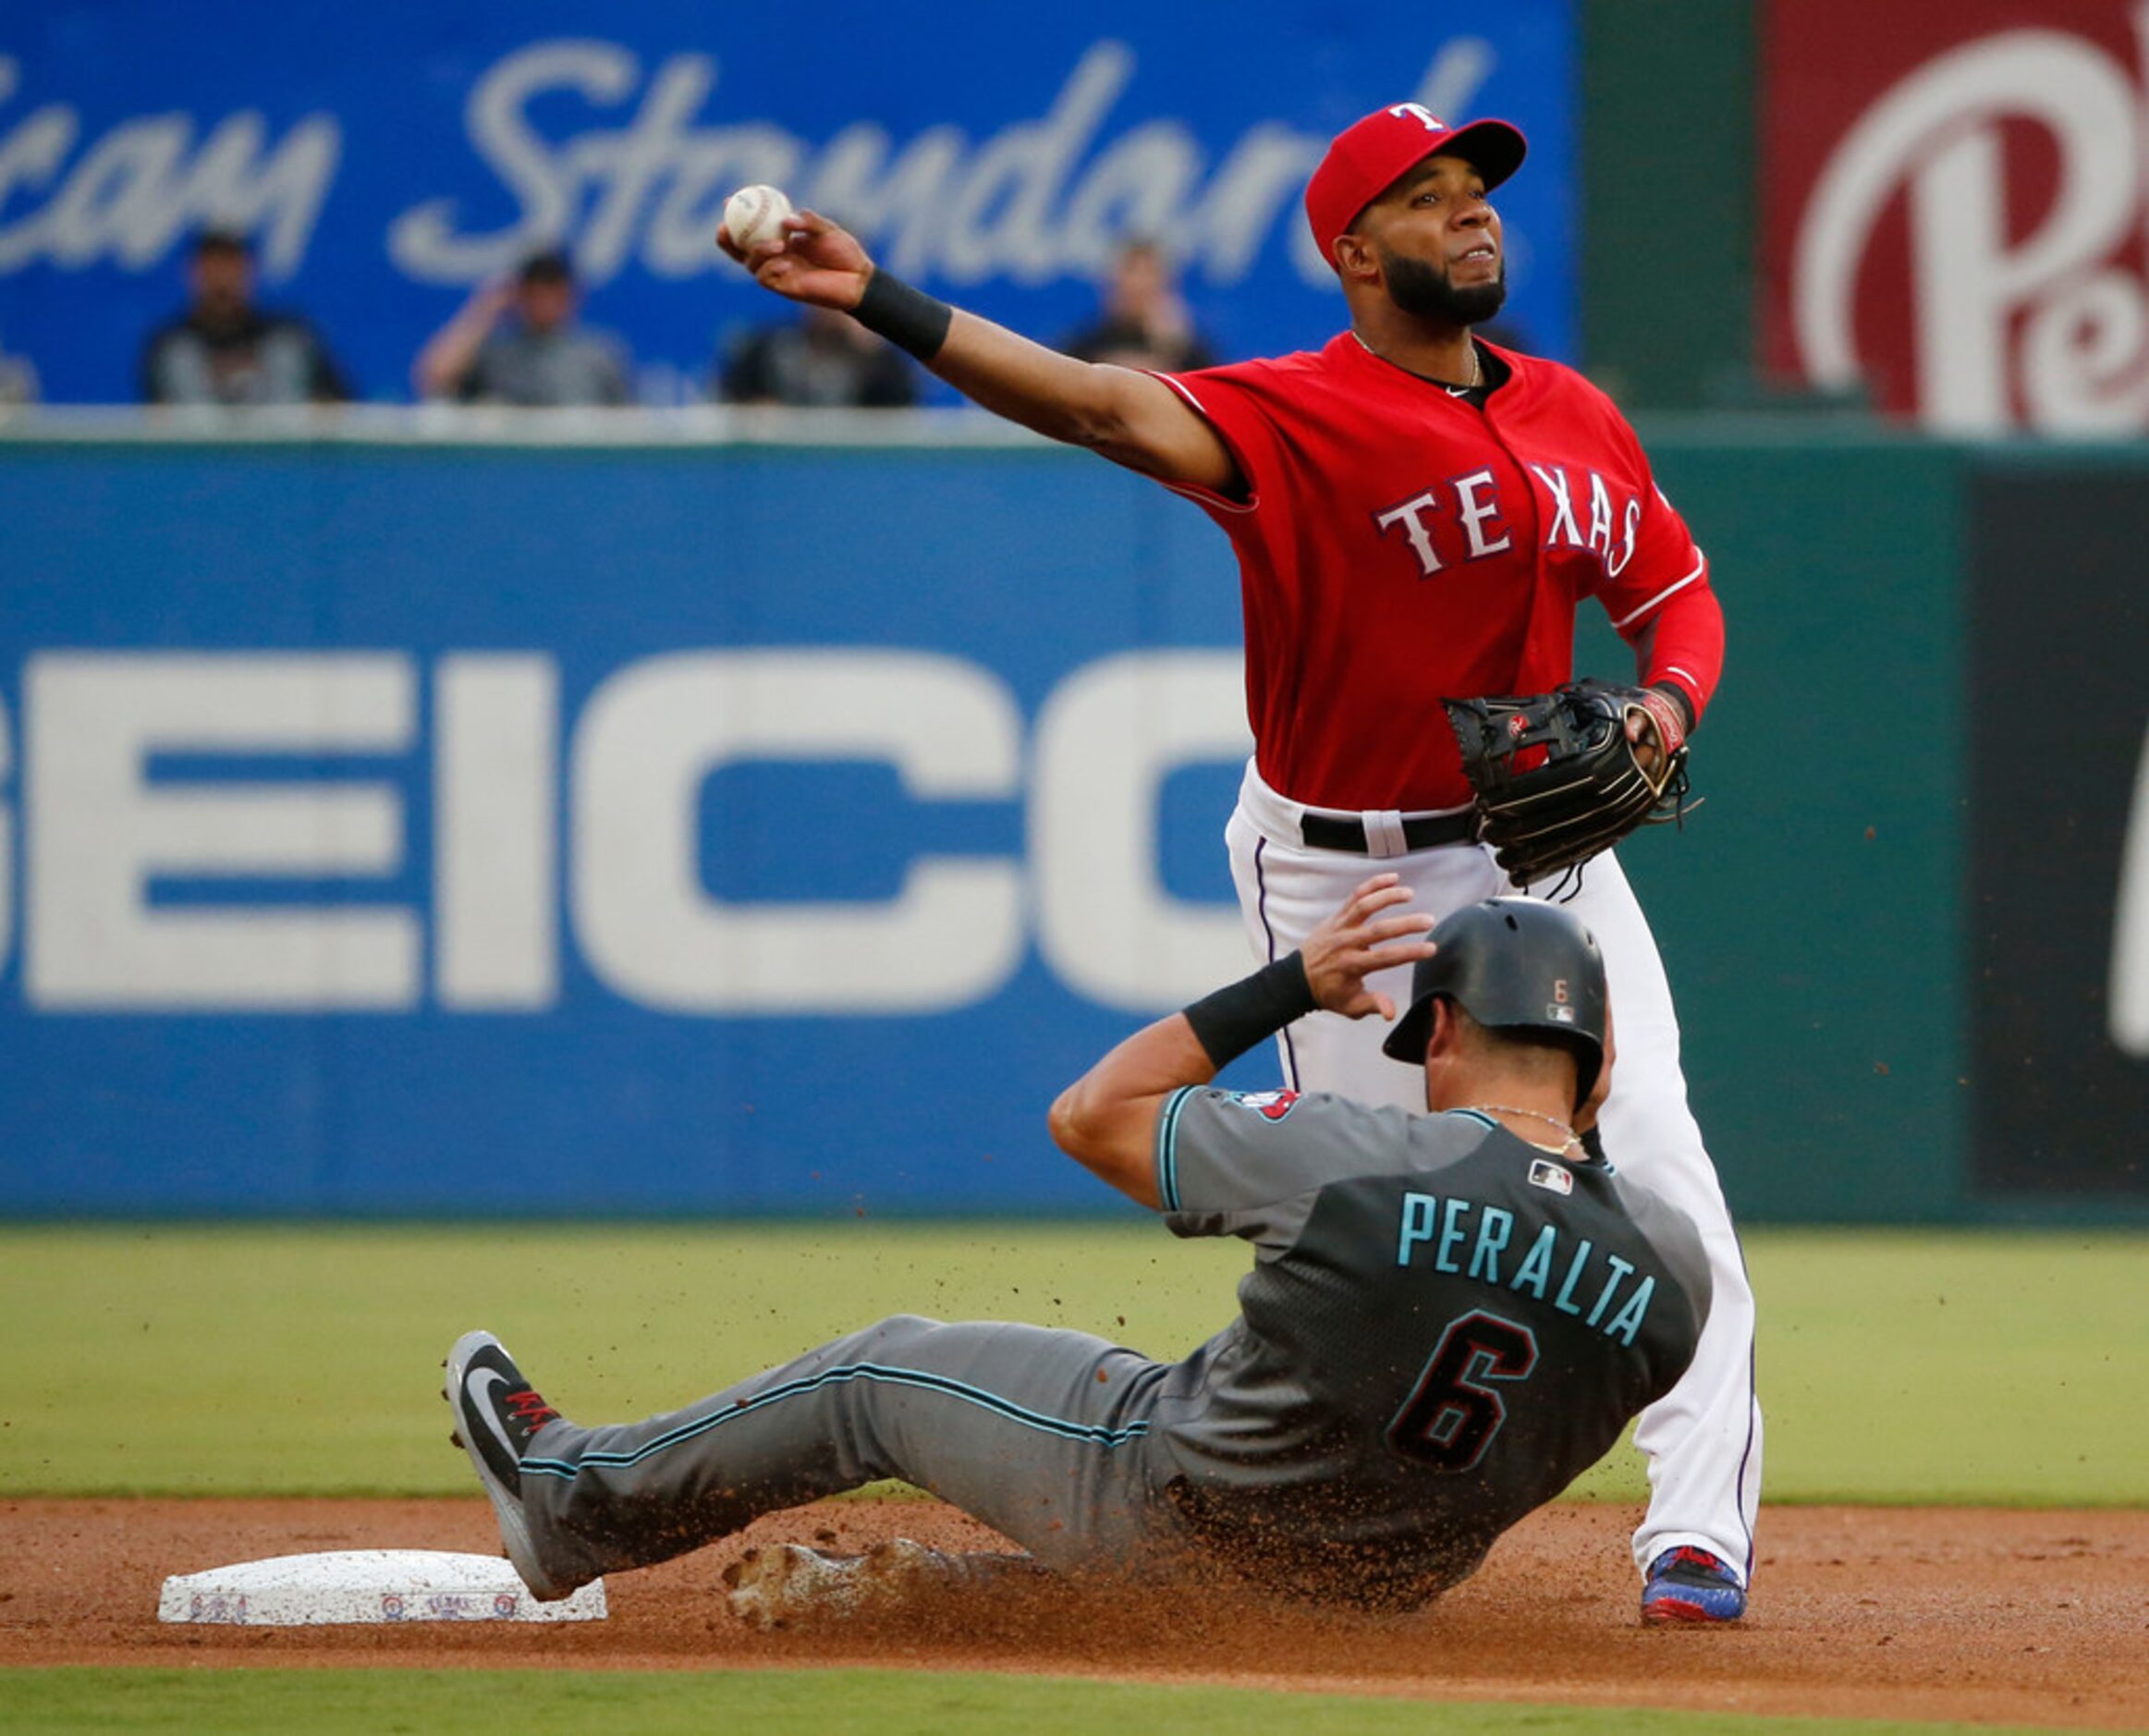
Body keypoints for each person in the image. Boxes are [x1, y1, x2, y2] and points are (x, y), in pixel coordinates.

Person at [714, 100, 1757, 1625]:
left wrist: (1666, 704)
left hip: (1543, 860)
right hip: (1352, 882)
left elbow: (1678, 594)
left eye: (1480, 191)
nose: (1473, 216)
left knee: (1659, 1167)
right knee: (1374, 1228)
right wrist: (881, 297)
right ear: (1355, 250)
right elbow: (1097, 406)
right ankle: (1293, 1536)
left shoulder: (1572, 414)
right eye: (1431, 197)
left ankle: (1696, 1542)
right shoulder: (1293, 413)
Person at [446, 881, 1711, 1622]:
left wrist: (1289, 986)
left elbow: (1089, 1113)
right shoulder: (1673, 1268)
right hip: (1372, 1593)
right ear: (1596, 1069)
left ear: (1438, 1031)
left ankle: (569, 1503)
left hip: (1172, 1507)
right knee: (1234, 1410)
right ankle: (935, 1595)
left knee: (880, 1373)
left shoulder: (1357, 1157)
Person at [140, 228, 350, 406]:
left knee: (284, 355)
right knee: (181, 360)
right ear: (193, 273)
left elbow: (339, 407)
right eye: (212, 264)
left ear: (249, 271)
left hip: (280, 453)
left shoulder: (291, 338)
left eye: (231, 263)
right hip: (200, 455)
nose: (222, 278)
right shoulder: (169, 346)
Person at [413, 249, 631, 406]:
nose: (545, 301)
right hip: (506, 465)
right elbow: (434, 379)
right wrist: (483, 311)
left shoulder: (599, 356)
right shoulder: (494, 353)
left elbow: (629, 422)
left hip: (576, 466)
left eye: (554, 291)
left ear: (572, 296)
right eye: (535, 292)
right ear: (518, 295)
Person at [1058, 239, 1219, 373]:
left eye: (1149, 274)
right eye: (1131, 272)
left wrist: (1171, 350)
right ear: (1110, 283)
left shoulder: (1190, 351)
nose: (1139, 283)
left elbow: (1213, 400)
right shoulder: (1084, 346)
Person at [719, 304, 918, 406]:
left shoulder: (881, 360)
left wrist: (874, 356)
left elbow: (899, 421)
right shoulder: (770, 347)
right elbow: (732, 399)